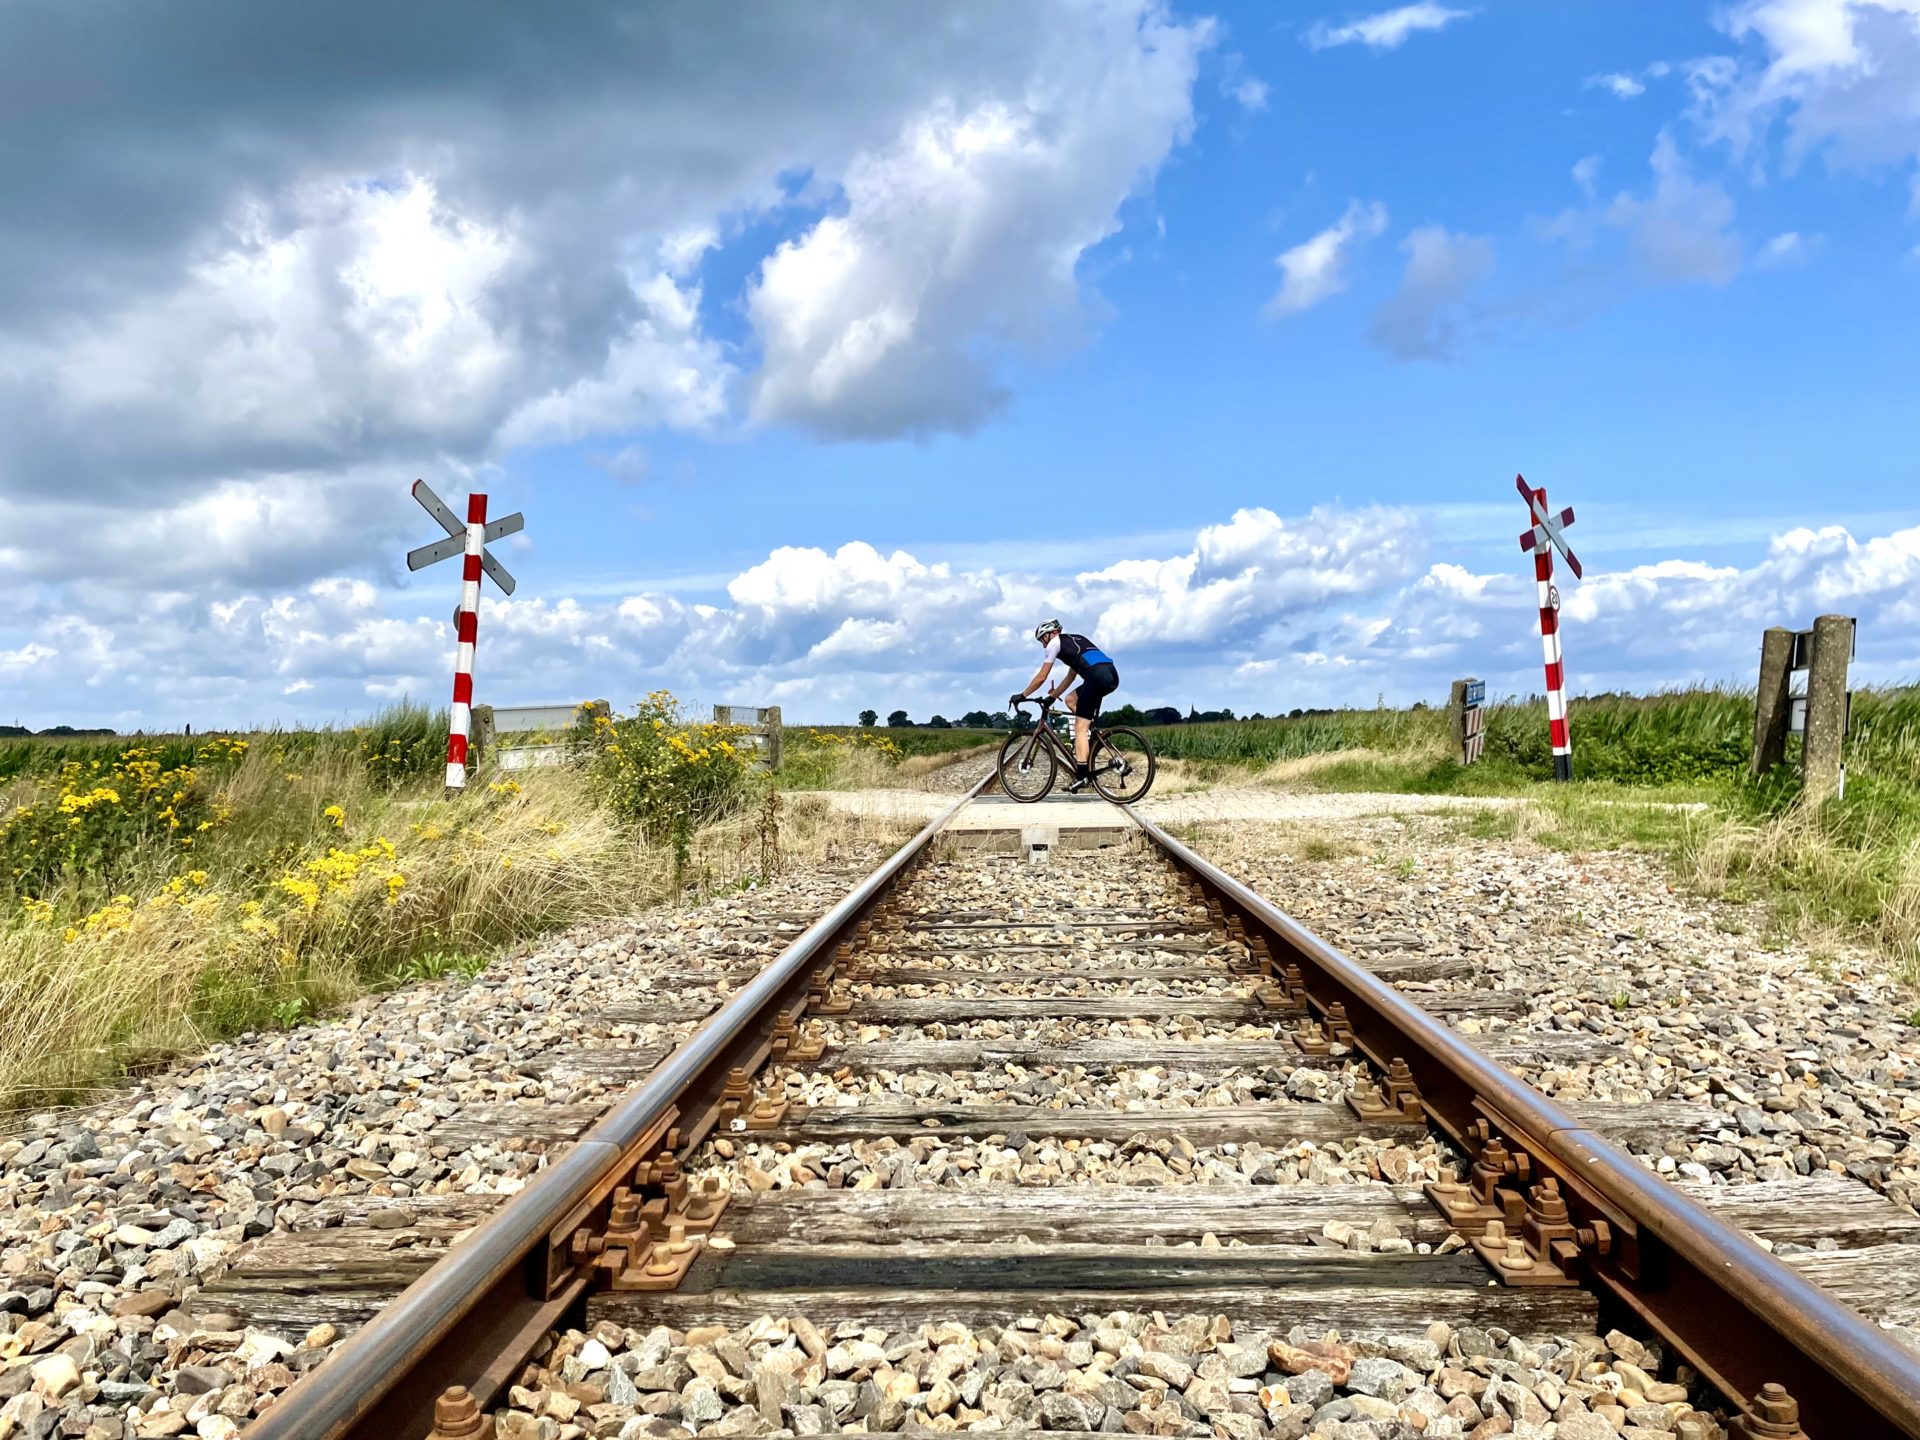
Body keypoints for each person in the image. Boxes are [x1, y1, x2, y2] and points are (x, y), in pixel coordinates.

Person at [1010, 619, 1119, 792]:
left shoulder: (1054, 643)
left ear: (1050, 633)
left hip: (1096, 676)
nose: (1043, 645)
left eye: (1042, 639)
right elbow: (1070, 677)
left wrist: (1023, 695)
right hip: (1111, 674)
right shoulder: (1076, 641)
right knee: (1070, 700)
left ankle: (1081, 777)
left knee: (1080, 728)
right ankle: (1093, 735)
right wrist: (1052, 698)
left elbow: (1041, 677)